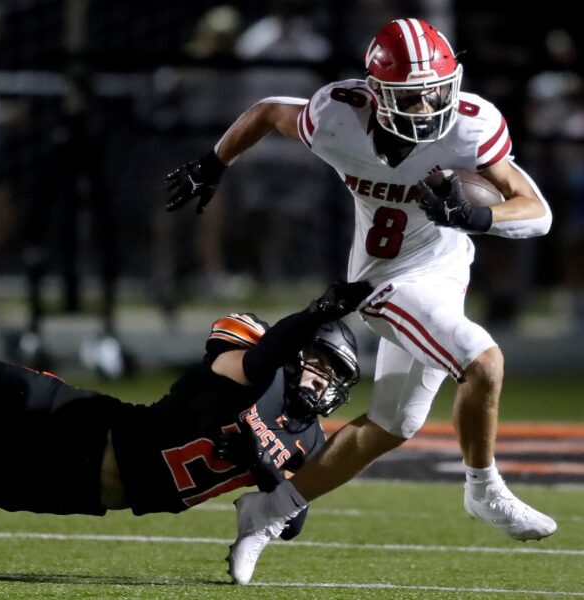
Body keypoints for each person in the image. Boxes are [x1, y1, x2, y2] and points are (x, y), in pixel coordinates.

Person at [165, 17, 556, 585]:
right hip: (383, 282)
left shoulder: (469, 128)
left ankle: (266, 513)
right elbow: (270, 110)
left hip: (447, 273)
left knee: (392, 425)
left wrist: (476, 215)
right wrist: (214, 163)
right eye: (410, 97)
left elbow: (535, 211)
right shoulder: (336, 118)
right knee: (483, 362)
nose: (426, 107)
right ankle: (483, 487)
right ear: (377, 94)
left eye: (434, 93)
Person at [0, 258, 370, 528]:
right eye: (320, 365)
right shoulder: (254, 375)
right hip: (84, 422)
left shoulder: (312, 444)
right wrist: (316, 310)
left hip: (81, 490)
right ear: (293, 356)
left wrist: (274, 482)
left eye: (337, 378)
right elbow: (251, 357)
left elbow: (287, 523)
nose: (325, 384)